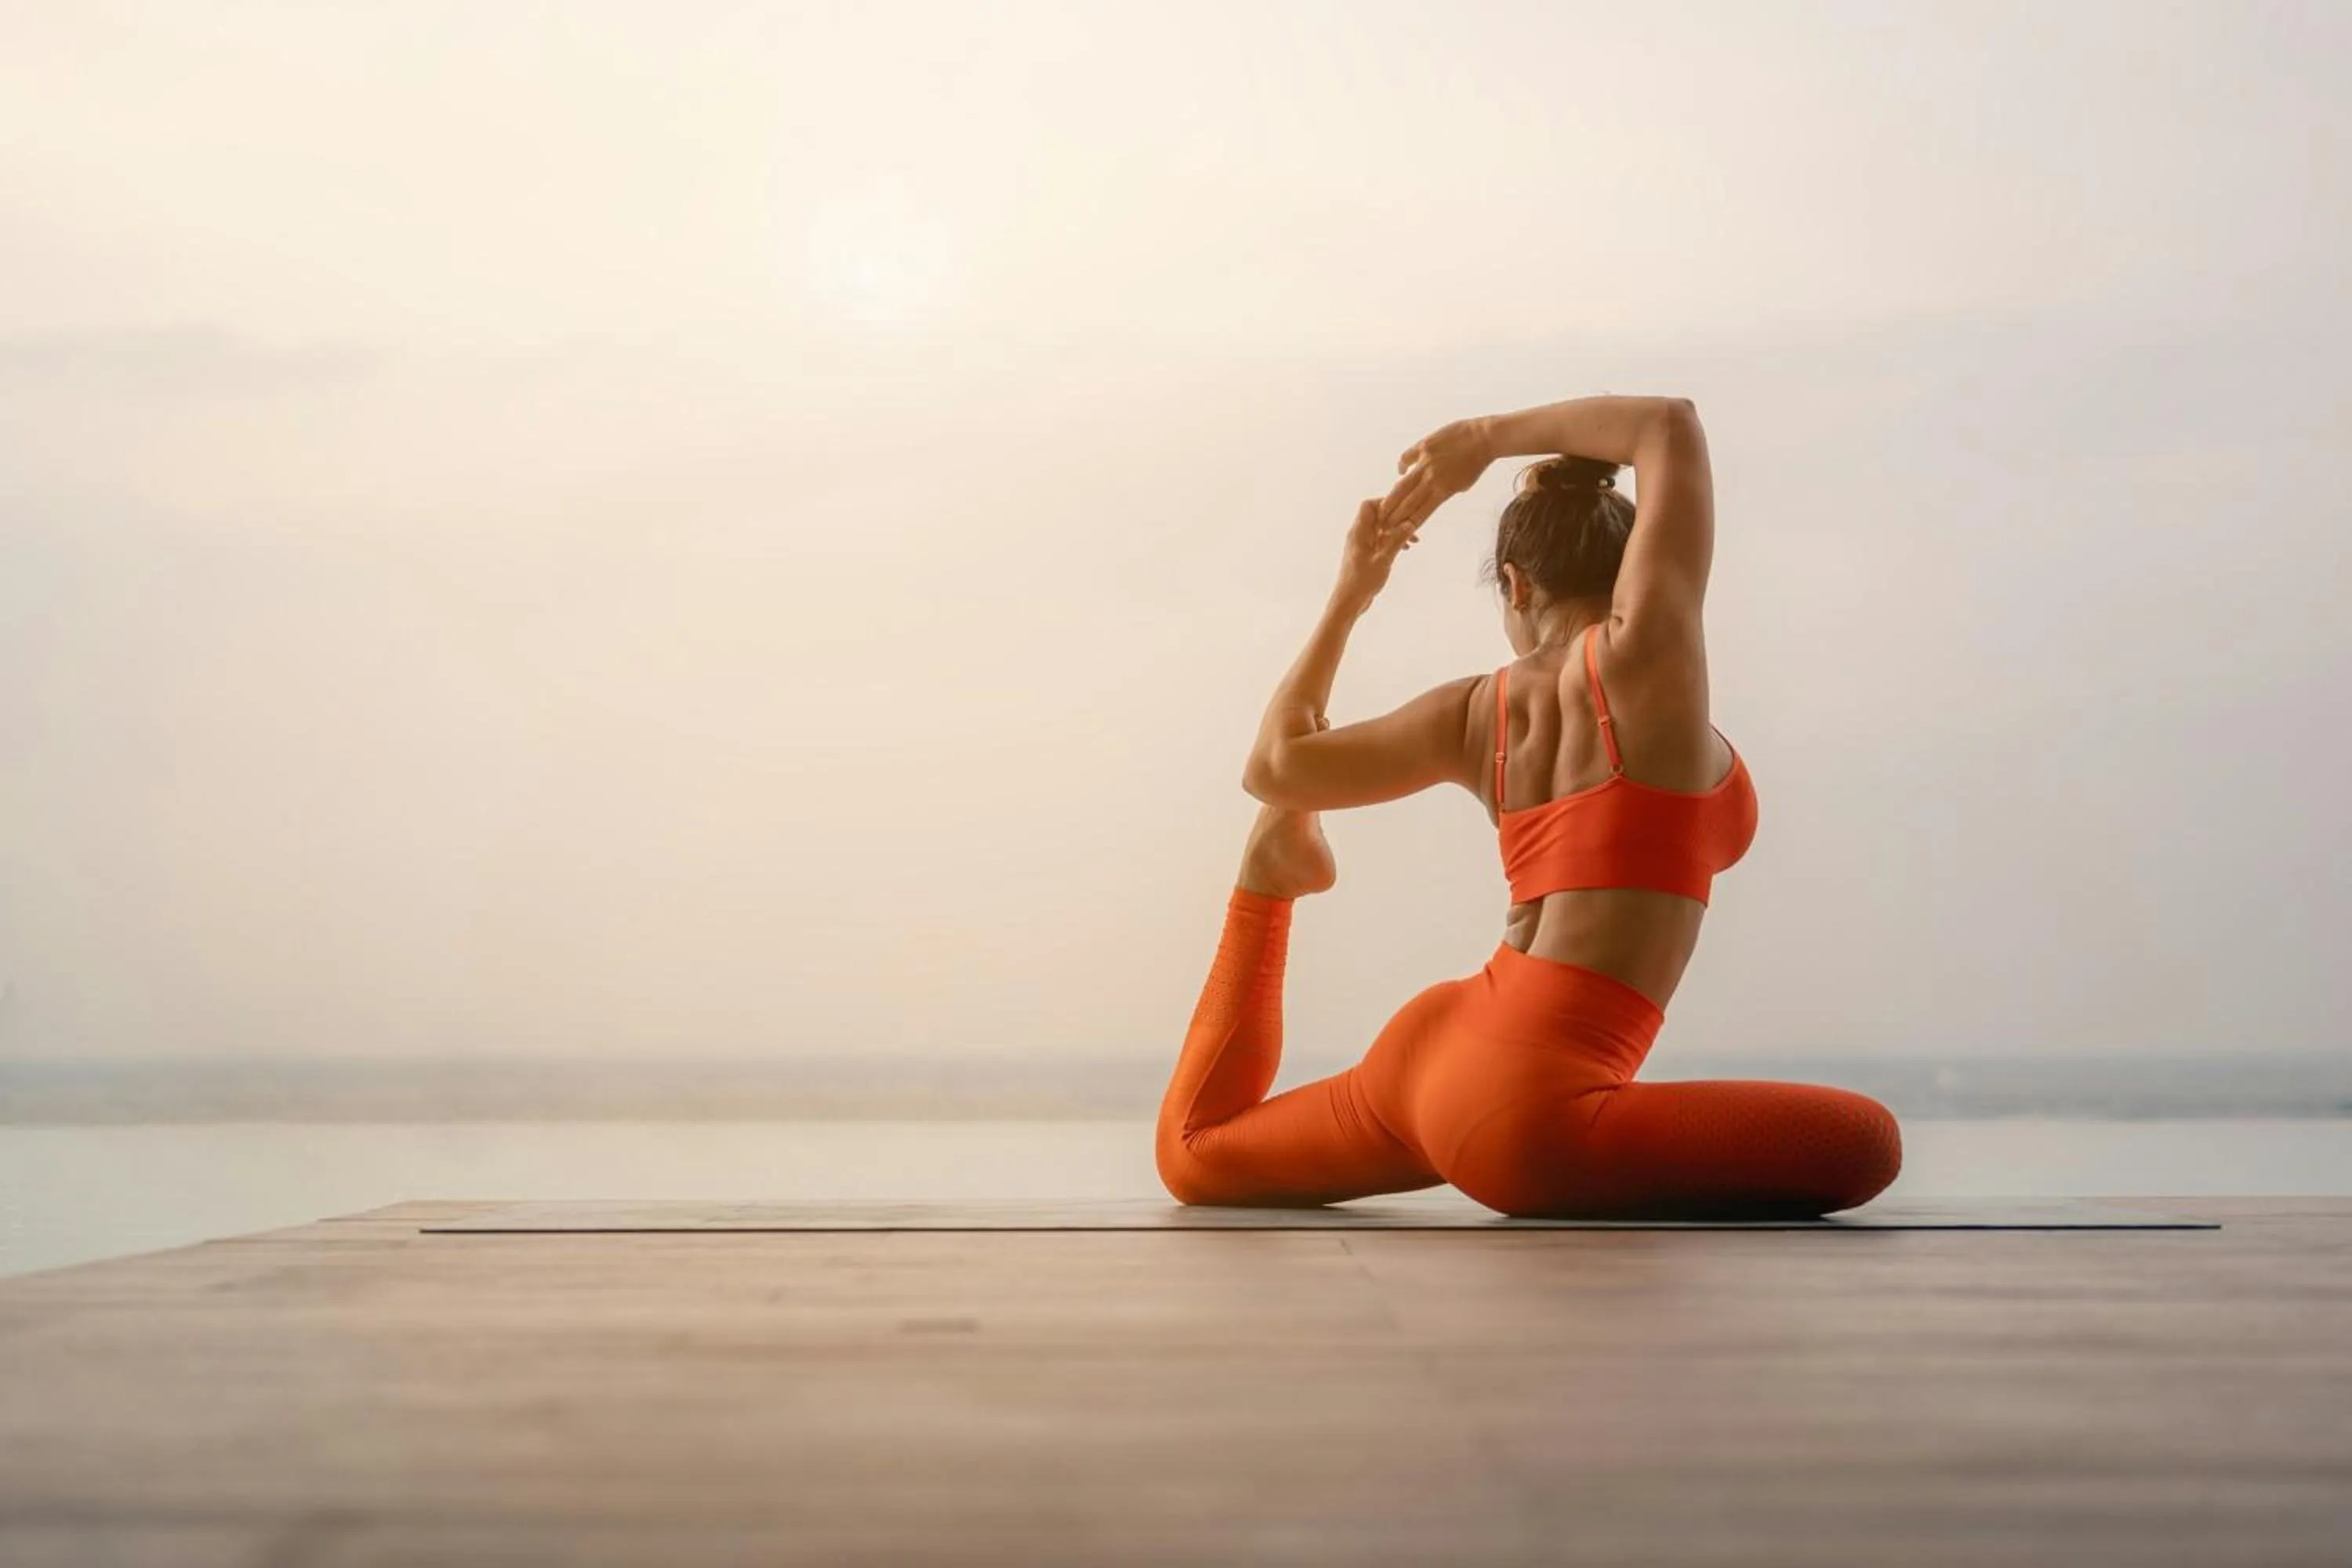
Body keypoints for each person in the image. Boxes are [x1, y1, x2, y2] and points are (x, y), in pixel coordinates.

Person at [1155, 395, 1902, 1218]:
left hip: (1431, 1056)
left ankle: (1269, 877)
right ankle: (1279, 871)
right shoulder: (1652, 658)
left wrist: (1353, 594)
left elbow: (1276, 767)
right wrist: (1484, 443)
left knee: (1196, 1152)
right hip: (1535, 1117)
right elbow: (1669, 425)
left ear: (1514, 584)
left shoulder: (1476, 711)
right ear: (1639, 572)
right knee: (1864, 1141)